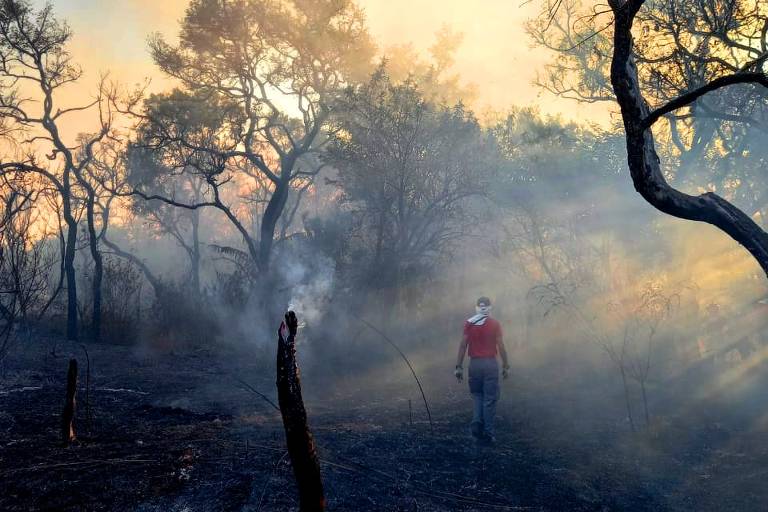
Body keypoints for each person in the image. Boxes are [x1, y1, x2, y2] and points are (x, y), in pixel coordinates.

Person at [455, 296, 509, 444]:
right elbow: (501, 346)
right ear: (490, 308)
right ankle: (488, 433)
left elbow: (462, 345)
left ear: (477, 307)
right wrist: (505, 365)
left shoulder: (469, 323)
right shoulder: (495, 324)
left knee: (478, 395)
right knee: (489, 399)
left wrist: (458, 366)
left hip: (475, 364)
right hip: (490, 364)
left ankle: (477, 422)